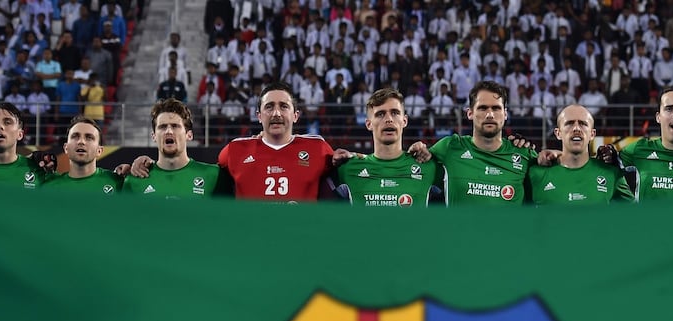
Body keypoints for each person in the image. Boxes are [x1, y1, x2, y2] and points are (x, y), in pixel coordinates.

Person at [408, 80, 538, 206]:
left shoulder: (524, 154)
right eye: (483, 108)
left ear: (505, 114)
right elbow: (411, 169)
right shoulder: (450, 147)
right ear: (470, 113)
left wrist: (549, 155)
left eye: (496, 108)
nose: (490, 115)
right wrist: (417, 152)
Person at [216, 81, 346, 202]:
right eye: (269, 107)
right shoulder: (234, 150)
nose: (276, 113)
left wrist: (349, 157)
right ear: (259, 116)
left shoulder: (318, 148)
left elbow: (345, 174)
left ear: (295, 115)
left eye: (284, 106)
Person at [335, 88, 439, 207]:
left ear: (404, 121)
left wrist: (430, 152)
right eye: (380, 114)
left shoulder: (428, 166)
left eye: (395, 113)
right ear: (369, 124)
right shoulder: (347, 168)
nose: (389, 119)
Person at [529, 104, 632, 206]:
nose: (576, 128)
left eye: (583, 124)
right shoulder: (536, 173)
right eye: (569, 123)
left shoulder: (611, 173)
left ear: (592, 134)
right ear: (558, 133)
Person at [120, 98, 222, 198]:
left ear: (189, 135)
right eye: (162, 127)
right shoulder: (134, 181)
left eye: (175, 126)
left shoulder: (214, 176)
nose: (168, 131)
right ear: (154, 136)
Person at [43, 115, 124, 194]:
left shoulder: (118, 183)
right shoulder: (50, 187)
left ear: (99, 151)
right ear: (66, 148)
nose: (81, 141)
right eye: (75, 136)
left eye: (89, 137)